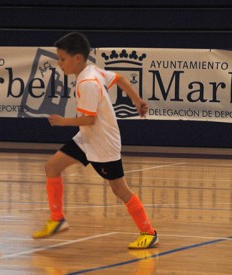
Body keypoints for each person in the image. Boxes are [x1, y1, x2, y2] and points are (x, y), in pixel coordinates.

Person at [32, 32, 158, 249]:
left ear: (78, 58)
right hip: (86, 138)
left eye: (62, 59)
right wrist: (137, 101)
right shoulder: (92, 71)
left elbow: (89, 119)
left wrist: (63, 122)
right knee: (52, 167)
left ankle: (149, 232)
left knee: (120, 190)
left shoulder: (88, 82)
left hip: (103, 143)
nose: (59, 64)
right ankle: (57, 219)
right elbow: (120, 78)